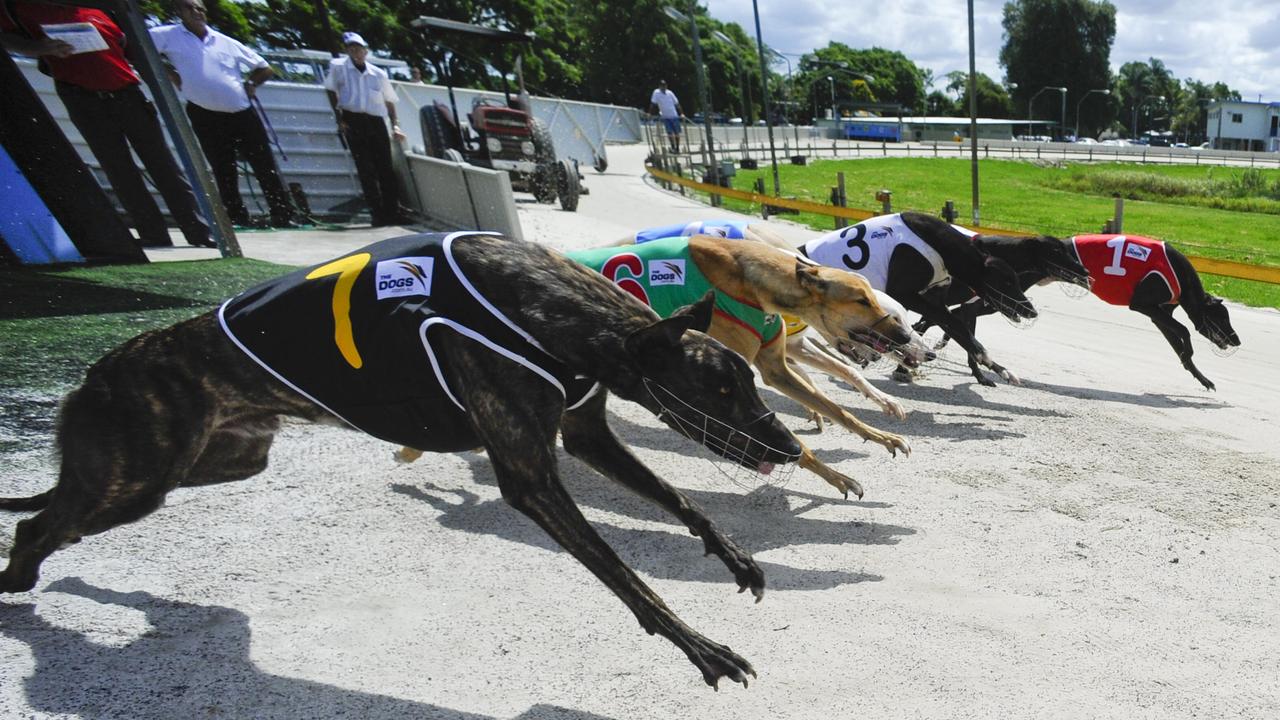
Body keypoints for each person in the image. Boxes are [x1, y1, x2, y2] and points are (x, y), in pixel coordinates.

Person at [0, 1, 214, 248]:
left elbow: (135, 51)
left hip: (127, 94)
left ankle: (199, 231)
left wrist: (163, 83)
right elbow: (6, 39)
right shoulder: (18, 8)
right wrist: (39, 48)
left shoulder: (105, 9)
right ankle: (152, 233)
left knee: (163, 164)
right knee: (118, 169)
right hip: (82, 97)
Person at [150, 0, 296, 228]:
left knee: (264, 162)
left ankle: (282, 212)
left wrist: (251, 83)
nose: (196, 12)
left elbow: (264, 67)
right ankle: (237, 216)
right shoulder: (166, 35)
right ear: (179, 11)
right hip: (204, 113)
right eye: (190, 7)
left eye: (200, 8)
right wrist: (169, 73)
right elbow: (135, 49)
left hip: (241, 111)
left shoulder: (225, 42)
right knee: (222, 166)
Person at [324, 31, 409, 227]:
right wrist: (340, 117)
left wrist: (395, 124)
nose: (356, 52)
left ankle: (392, 211)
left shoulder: (378, 73)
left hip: (375, 120)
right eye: (352, 48)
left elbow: (389, 101)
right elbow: (330, 89)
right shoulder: (339, 68)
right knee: (365, 169)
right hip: (353, 119)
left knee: (385, 168)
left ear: (366, 50)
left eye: (359, 48)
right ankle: (377, 213)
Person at [648, 79, 684, 152]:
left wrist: (681, 114)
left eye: (665, 86)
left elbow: (677, 104)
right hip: (666, 116)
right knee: (670, 132)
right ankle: (673, 147)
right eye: (662, 86)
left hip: (674, 115)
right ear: (659, 86)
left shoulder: (670, 93)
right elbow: (653, 104)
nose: (664, 87)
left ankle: (677, 148)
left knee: (677, 132)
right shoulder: (656, 93)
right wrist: (649, 113)